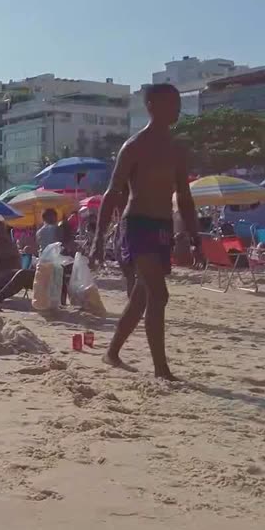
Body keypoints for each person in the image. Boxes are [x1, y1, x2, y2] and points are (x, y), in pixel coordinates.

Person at [90, 83, 197, 381]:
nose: (176, 109)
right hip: (136, 225)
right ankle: (161, 369)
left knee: (141, 298)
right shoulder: (134, 146)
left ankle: (111, 352)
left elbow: (185, 198)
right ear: (151, 105)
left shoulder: (177, 150)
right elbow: (112, 192)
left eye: (178, 103)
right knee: (158, 295)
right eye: (170, 103)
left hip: (161, 227)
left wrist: (195, 236)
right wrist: (99, 237)